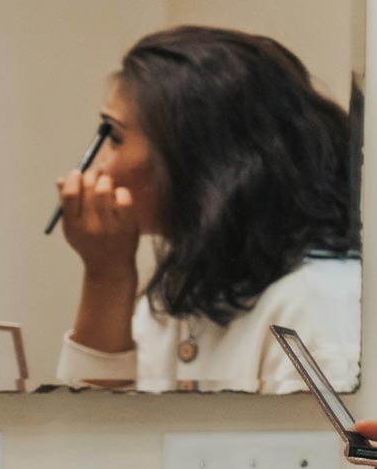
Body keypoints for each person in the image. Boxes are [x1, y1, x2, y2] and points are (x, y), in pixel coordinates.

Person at [54, 25, 361, 392]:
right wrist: (106, 276)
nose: (97, 168)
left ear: (197, 158)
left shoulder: (317, 307)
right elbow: (87, 437)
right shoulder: (185, 288)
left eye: (114, 136)